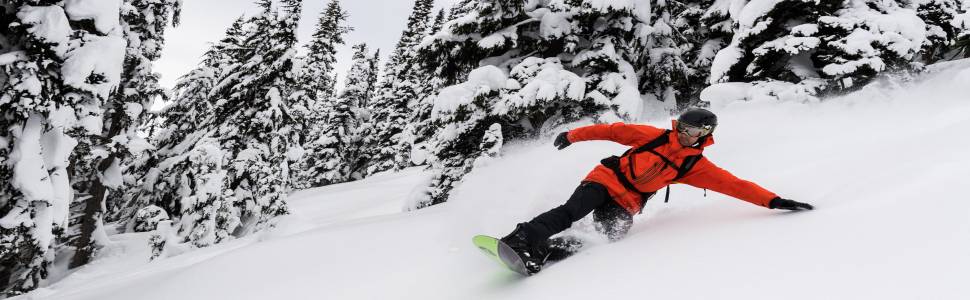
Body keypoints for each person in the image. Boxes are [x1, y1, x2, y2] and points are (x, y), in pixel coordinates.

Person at [499, 108, 813, 274]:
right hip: (606, 179)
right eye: (682, 128)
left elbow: (734, 185)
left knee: (607, 237)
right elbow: (613, 131)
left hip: (628, 201)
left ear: (705, 134)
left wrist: (773, 201)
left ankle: (544, 251)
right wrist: (572, 136)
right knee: (572, 211)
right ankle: (521, 238)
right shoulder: (654, 136)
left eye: (692, 131)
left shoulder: (695, 166)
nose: (685, 134)